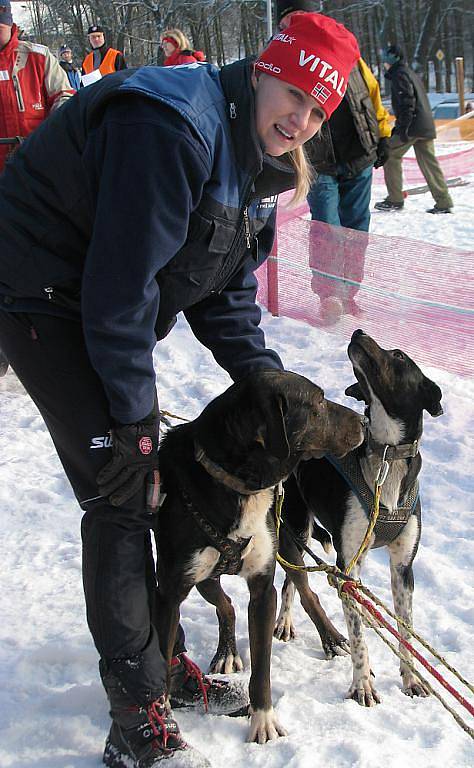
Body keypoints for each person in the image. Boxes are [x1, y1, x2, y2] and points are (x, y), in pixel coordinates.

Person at [0, 12, 359, 768]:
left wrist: (268, 386)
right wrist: (134, 424)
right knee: (123, 487)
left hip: (94, 297)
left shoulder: (255, 164)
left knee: (139, 480)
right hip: (40, 287)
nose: (301, 118)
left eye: (318, 109)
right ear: (263, 70)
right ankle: (137, 713)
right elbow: (119, 295)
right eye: (294, 91)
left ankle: (156, 666)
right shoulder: (176, 130)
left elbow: (224, 294)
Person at [0, 1, 72, 377]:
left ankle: (47, 331)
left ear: (9, 25)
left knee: (38, 258)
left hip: (36, 181)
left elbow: (66, 100)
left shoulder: (38, 58)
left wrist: (49, 135)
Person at [277, 0, 391, 233]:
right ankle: (326, 272)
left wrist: (383, 135)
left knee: (357, 228)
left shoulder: (343, 49)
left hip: (359, 153)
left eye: (302, 17)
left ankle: (354, 271)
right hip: (318, 163)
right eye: (288, 20)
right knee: (326, 232)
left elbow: (371, 93)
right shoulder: (282, 55)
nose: (296, 24)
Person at [375, 45, 454, 214]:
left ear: (392, 60)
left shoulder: (400, 75)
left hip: (413, 126)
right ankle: (443, 201)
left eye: (386, 61)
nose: (384, 65)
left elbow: (407, 102)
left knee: (390, 154)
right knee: (429, 163)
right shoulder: (408, 72)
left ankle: (395, 199)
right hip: (424, 125)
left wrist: (402, 129)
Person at [0, 0, 73, 172]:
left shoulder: (38, 57)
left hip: (38, 162)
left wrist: (54, 130)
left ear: (10, 24)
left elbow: (64, 95)